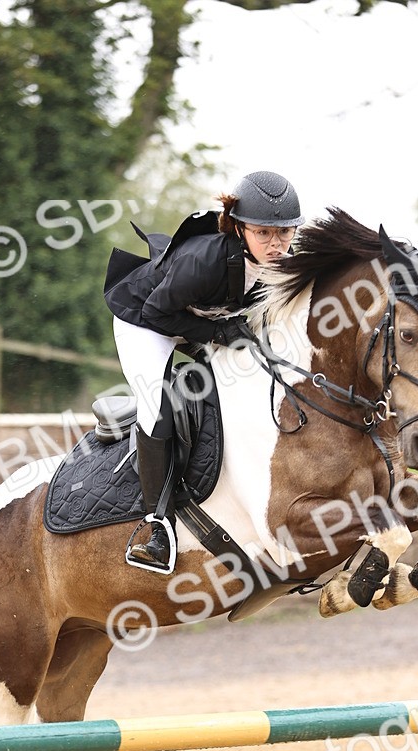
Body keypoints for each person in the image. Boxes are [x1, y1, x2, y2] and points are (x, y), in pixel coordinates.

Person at [104, 170, 303, 573]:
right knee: (156, 407)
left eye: (284, 233)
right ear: (239, 228)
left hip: (200, 319)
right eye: (264, 234)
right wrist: (216, 333)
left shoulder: (282, 264)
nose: (276, 244)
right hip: (146, 322)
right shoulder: (205, 260)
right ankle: (155, 525)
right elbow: (156, 311)